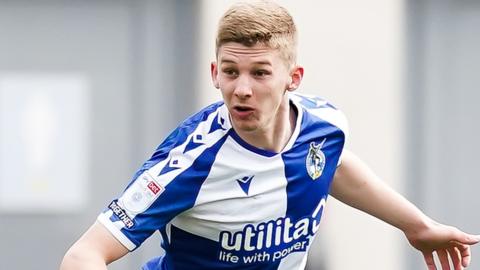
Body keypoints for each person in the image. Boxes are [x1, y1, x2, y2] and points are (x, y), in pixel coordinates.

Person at [60, 1, 479, 270]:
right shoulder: (189, 162)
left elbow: (330, 166)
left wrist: (417, 226)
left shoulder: (324, 126)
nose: (242, 88)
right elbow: (83, 256)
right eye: (230, 72)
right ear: (214, 74)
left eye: (260, 73)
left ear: (292, 78)